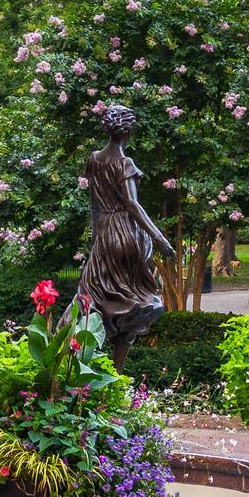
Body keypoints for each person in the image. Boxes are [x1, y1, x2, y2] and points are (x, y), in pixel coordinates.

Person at [78, 103, 170, 367]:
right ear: (127, 130)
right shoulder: (124, 162)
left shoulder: (94, 160)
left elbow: (94, 207)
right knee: (135, 305)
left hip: (105, 236)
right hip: (126, 234)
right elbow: (133, 204)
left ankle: (88, 371)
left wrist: (97, 244)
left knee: (97, 301)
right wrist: (159, 238)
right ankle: (115, 376)